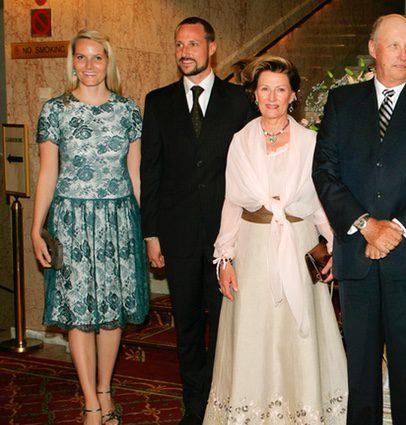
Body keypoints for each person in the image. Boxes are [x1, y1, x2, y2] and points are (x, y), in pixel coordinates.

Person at [313, 13, 406, 425]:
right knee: (359, 375)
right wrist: (366, 224)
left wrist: (396, 228)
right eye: (395, 45)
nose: (404, 54)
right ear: (373, 49)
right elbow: (324, 171)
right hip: (358, 259)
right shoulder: (342, 103)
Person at [204, 55, 348, 424]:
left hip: (298, 246)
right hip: (252, 249)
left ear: (293, 95)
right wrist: (225, 258)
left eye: (280, 89)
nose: (272, 97)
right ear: (255, 95)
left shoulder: (310, 142)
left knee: (296, 337)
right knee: (254, 335)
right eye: (264, 89)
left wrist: (332, 246)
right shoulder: (241, 141)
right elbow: (232, 202)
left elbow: (320, 204)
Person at [31, 29, 148, 425]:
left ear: (108, 62)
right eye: (82, 57)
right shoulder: (55, 110)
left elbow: (136, 176)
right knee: (79, 311)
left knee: (111, 312)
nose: (89, 65)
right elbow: (48, 173)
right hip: (70, 220)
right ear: (72, 62)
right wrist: (37, 229)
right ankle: (90, 403)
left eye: (97, 57)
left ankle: (105, 390)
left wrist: (148, 228)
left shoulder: (128, 110)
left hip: (118, 220)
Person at [139, 17, 254, 424]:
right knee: (187, 326)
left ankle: (221, 404)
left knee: (226, 326)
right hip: (178, 235)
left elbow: (252, 167)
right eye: (178, 45)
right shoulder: (158, 101)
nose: (185, 51)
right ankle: (195, 406)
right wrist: (151, 233)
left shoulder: (240, 101)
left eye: (192, 43)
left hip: (229, 237)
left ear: (212, 48)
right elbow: (149, 172)